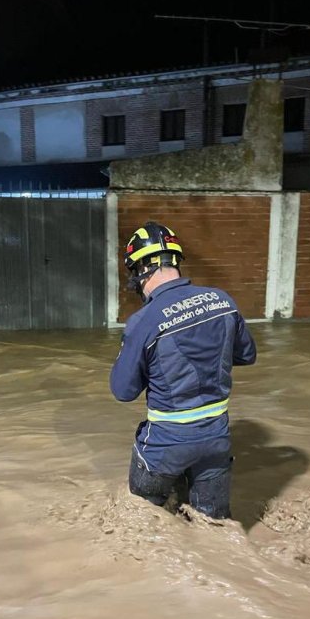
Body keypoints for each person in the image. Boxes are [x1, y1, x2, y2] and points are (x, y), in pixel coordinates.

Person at [109, 221, 257, 519]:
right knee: (213, 527)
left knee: (142, 523)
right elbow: (246, 355)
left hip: (164, 448)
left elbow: (123, 391)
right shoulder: (222, 301)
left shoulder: (144, 320)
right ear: (175, 262)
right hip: (216, 442)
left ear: (140, 271)